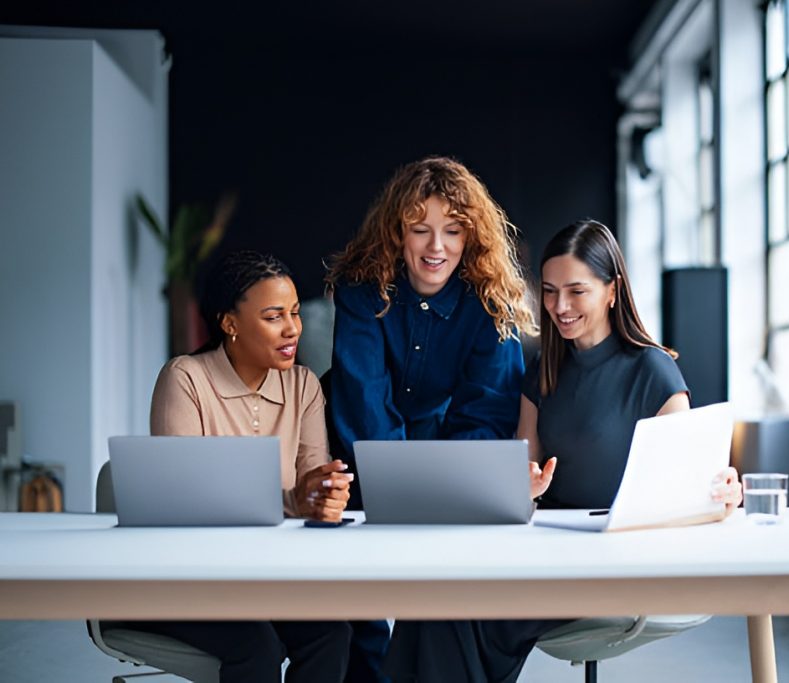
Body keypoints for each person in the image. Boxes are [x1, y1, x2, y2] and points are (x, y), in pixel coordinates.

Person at [383, 219, 742, 682]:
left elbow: (683, 493)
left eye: (577, 291)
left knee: (462, 609)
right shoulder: (543, 369)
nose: (560, 306)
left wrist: (721, 495)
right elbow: (523, 479)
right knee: (435, 591)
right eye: (550, 292)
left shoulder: (653, 372)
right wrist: (524, 488)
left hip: (611, 560)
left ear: (612, 290)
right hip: (544, 549)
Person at [324, 156, 538, 679]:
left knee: (446, 588)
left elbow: (486, 411)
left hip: (445, 447)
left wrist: (448, 487)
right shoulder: (361, 289)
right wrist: (398, 488)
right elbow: (363, 399)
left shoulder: (492, 302)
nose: (435, 247)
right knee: (359, 607)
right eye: (420, 230)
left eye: (452, 231)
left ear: (471, 237)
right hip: (354, 444)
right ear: (397, 232)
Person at [132, 250, 355, 683]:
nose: (293, 328)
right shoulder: (185, 379)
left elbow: (312, 486)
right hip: (187, 579)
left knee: (332, 633)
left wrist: (325, 498)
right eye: (274, 317)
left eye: (294, 312)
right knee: (257, 648)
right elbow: (185, 500)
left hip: (268, 577)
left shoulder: (303, 385)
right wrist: (294, 500)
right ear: (229, 323)